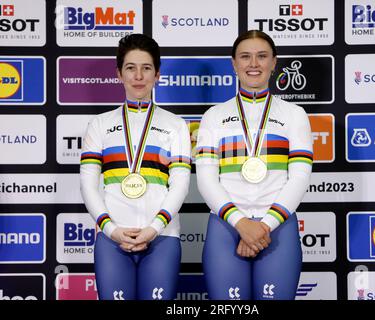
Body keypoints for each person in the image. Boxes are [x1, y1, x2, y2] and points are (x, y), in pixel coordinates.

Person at [195, 30, 313, 300]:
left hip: (277, 227)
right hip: (226, 227)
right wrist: (241, 224)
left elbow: (299, 178)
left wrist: (263, 227)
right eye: (245, 57)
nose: (253, 64)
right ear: (234, 64)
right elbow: (205, 180)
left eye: (262, 56)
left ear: (274, 63)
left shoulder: (295, 115)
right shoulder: (214, 116)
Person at [80, 34, 191, 300]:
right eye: (131, 68)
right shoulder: (100, 125)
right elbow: (88, 186)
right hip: (112, 237)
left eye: (146, 68)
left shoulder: (175, 124)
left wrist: (154, 228)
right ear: (119, 74)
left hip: (162, 236)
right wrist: (112, 230)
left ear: (157, 75)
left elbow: (181, 185)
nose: (138, 76)